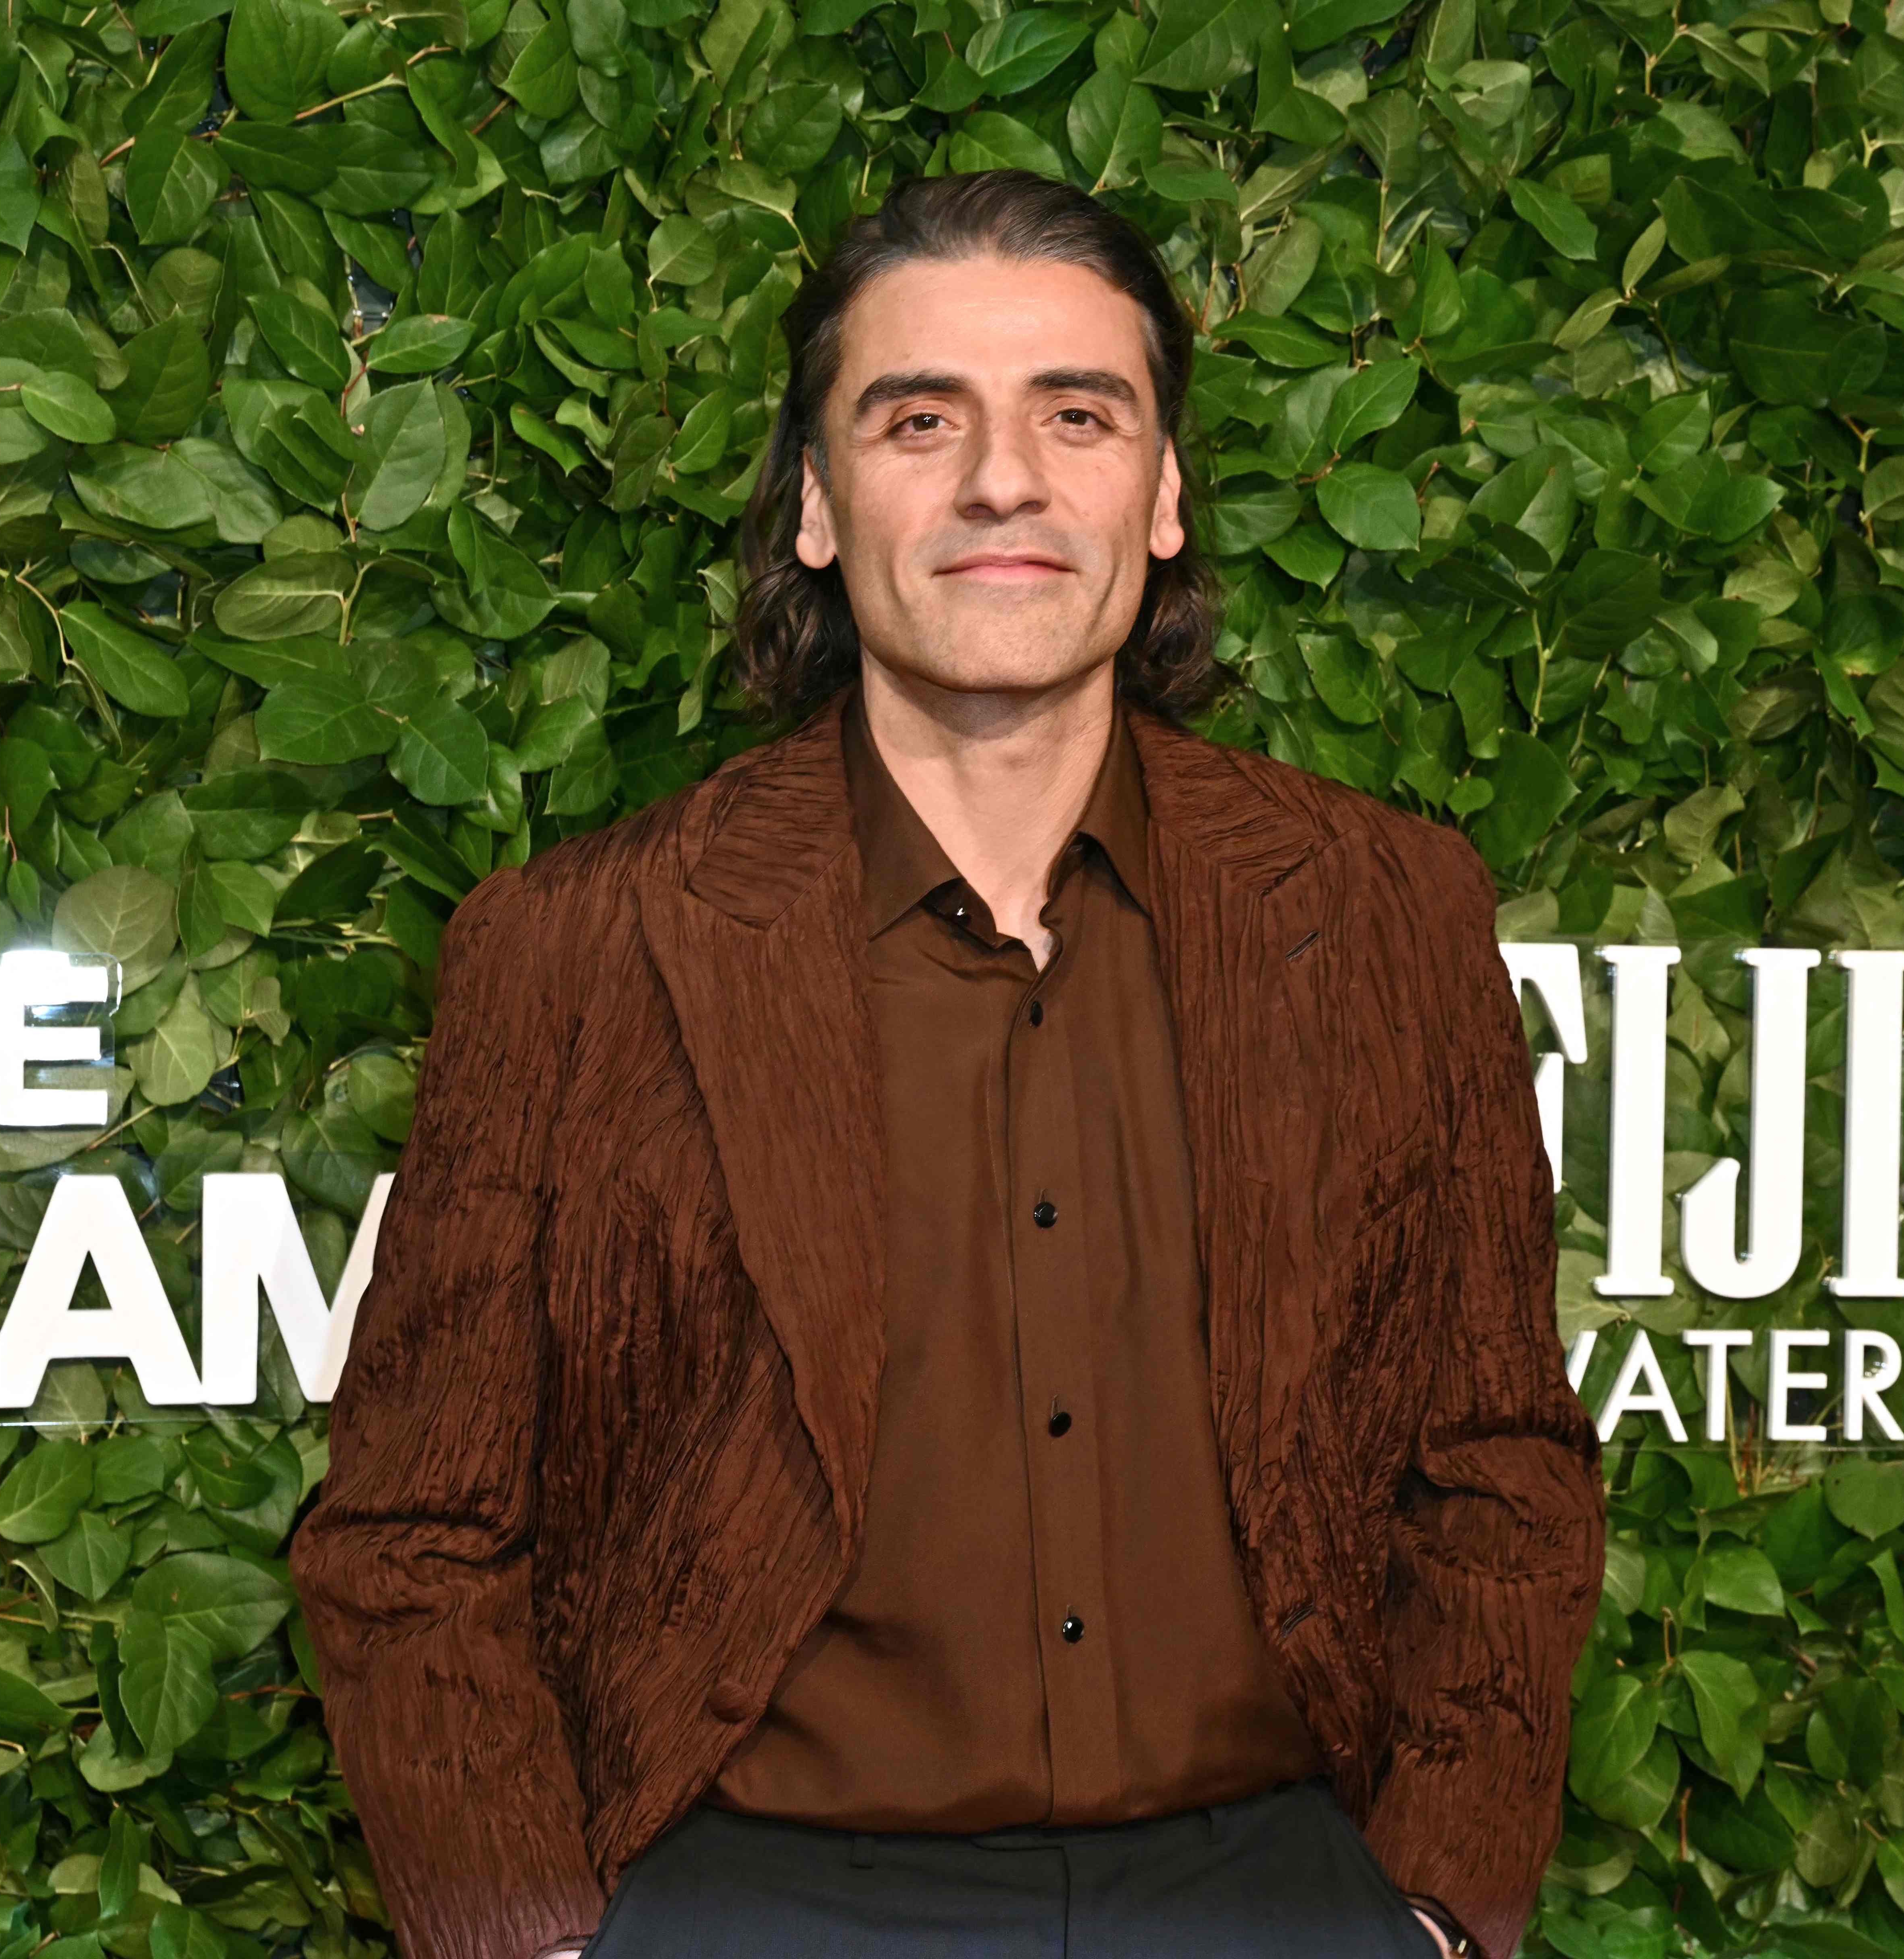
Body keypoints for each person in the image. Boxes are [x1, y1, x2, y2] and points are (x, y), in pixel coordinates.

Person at [286, 167, 1605, 1959]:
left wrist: (1439, 1908)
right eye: (922, 420)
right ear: (819, 507)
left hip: (1277, 1891)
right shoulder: (580, 947)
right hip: (748, 1895)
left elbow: (1498, 1461)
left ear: (1160, 498)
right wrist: (533, 1939)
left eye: (1080, 414)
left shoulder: (1384, 909)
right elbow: (415, 1533)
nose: (1004, 478)